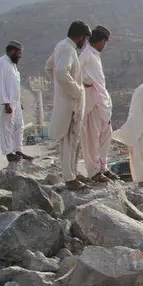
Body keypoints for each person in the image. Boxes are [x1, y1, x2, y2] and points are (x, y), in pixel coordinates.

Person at [46, 20, 91, 191]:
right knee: (70, 141)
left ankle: (72, 173)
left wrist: (60, 88)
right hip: (71, 104)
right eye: (84, 39)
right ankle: (70, 178)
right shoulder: (67, 49)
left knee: (72, 140)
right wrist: (76, 91)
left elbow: (48, 67)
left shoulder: (62, 46)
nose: (84, 43)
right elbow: (59, 72)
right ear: (80, 37)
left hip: (68, 101)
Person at [79, 25, 117, 183]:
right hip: (92, 104)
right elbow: (76, 74)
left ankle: (103, 167)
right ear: (100, 41)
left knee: (104, 137)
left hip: (102, 102)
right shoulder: (86, 54)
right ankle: (94, 172)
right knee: (91, 139)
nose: (105, 46)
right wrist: (86, 82)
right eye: (104, 42)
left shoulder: (94, 55)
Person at [113, 74, 143, 186]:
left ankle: (140, 178)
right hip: (142, 126)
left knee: (136, 153)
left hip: (135, 125)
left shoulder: (140, 88)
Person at [0, 40, 33, 164]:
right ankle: (9, 153)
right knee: (7, 128)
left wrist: (18, 102)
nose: (20, 55)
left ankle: (18, 150)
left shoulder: (13, 65)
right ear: (12, 51)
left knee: (19, 126)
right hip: (7, 102)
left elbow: (14, 85)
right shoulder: (2, 62)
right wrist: (5, 103)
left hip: (15, 102)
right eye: (19, 53)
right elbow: (0, 84)